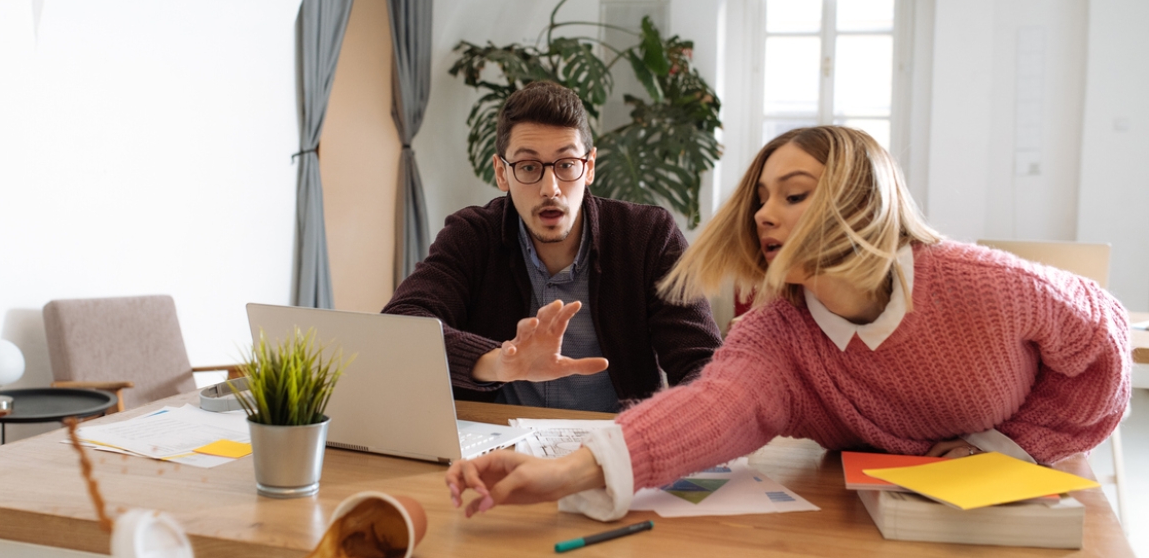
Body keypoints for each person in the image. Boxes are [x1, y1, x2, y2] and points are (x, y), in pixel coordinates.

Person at [444, 125, 1131, 520]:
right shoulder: (778, 333)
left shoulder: (984, 285)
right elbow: (710, 408)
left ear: (860, 197)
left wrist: (1013, 444)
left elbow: (1104, 343)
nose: (765, 215)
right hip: (882, 510)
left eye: (794, 195)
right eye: (761, 198)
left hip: (1016, 496)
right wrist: (558, 473)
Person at [382, 81, 722, 413]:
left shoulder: (649, 236)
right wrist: (499, 363)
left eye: (566, 165)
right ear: (502, 173)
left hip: (615, 447)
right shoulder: (472, 235)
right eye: (529, 167)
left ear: (588, 167)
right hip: (498, 448)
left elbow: (702, 363)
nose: (551, 188)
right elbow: (401, 326)